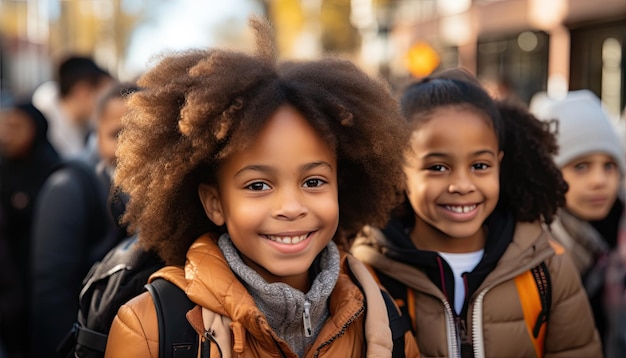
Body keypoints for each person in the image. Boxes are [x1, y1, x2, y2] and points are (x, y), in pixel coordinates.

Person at [105, 17, 419, 357]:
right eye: (258, 185)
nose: (291, 206)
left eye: (314, 181)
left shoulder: (380, 313)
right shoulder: (150, 328)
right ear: (215, 202)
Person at [350, 68, 602, 357]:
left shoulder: (547, 266)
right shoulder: (368, 272)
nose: (462, 185)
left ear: (499, 163)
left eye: (480, 166)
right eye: (438, 167)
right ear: (400, 173)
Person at [29, 82, 138, 357]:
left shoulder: (161, 189)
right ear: (97, 133)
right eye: (117, 134)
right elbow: (51, 296)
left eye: (142, 134)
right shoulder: (67, 188)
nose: (130, 148)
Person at [531, 89, 626, 357]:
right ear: (549, 175)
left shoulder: (619, 236)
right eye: (581, 166)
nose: (599, 180)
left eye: (609, 166)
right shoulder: (532, 250)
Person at [0, 101, 60, 358]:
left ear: (35, 129)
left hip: (41, 279)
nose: (6, 135)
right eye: (4, 127)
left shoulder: (53, 173)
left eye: (16, 127)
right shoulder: (4, 169)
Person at [32, 55, 114, 158]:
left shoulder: (88, 127)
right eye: (105, 95)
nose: (109, 104)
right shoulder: (38, 126)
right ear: (82, 91)